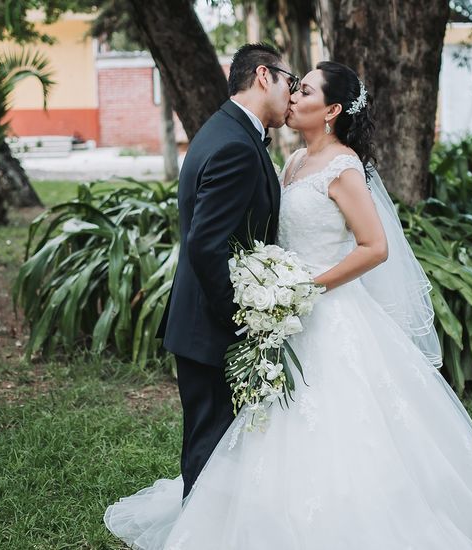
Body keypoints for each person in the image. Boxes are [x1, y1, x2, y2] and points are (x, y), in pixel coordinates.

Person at [106, 60, 472, 550]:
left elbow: (375, 247)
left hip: (329, 315)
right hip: (288, 319)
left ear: (332, 111)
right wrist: (272, 286)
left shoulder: (344, 166)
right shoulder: (291, 161)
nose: (294, 94)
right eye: (294, 85)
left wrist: (307, 288)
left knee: (346, 431)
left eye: (305, 89)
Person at [153, 43, 296, 501]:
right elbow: (206, 244)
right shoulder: (235, 144)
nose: (292, 95)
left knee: (215, 443)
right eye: (289, 82)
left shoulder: (226, 130)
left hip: (200, 323)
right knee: (211, 446)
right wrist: (243, 316)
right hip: (213, 329)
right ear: (263, 76)